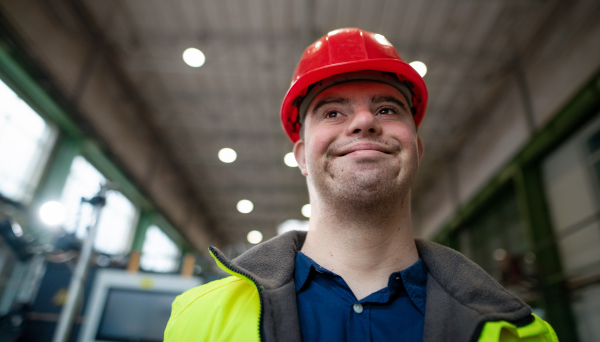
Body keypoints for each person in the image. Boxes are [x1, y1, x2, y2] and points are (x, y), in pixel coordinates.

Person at [164, 28, 558, 341]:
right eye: (333, 111)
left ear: (416, 148)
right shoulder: (200, 320)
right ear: (301, 156)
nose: (364, 122)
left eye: (387, 108)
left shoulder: (517, 333)